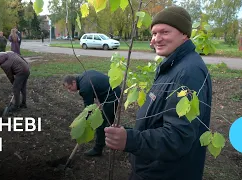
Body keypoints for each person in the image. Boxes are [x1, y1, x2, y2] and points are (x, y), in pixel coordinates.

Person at [104, 6, 212, 180]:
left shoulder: (188, 73)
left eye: (164, 32)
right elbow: (162, 118)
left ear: (184, 34)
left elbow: (178, 137)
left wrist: (131, 140)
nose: (156, 39)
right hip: (154, 167)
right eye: (154, 33)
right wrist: (133, 132)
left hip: (165, 173)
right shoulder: (174, 65)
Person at [63, 70, 121, 156]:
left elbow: (88, 110)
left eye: (69, 88)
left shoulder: (84, 88)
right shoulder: (83, 75)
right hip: (110, 91)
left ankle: (98, 149)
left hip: (112, 95)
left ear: (74, 82)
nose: (69, 91)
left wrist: (84, 122)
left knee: (102, 124)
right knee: (107, 122)